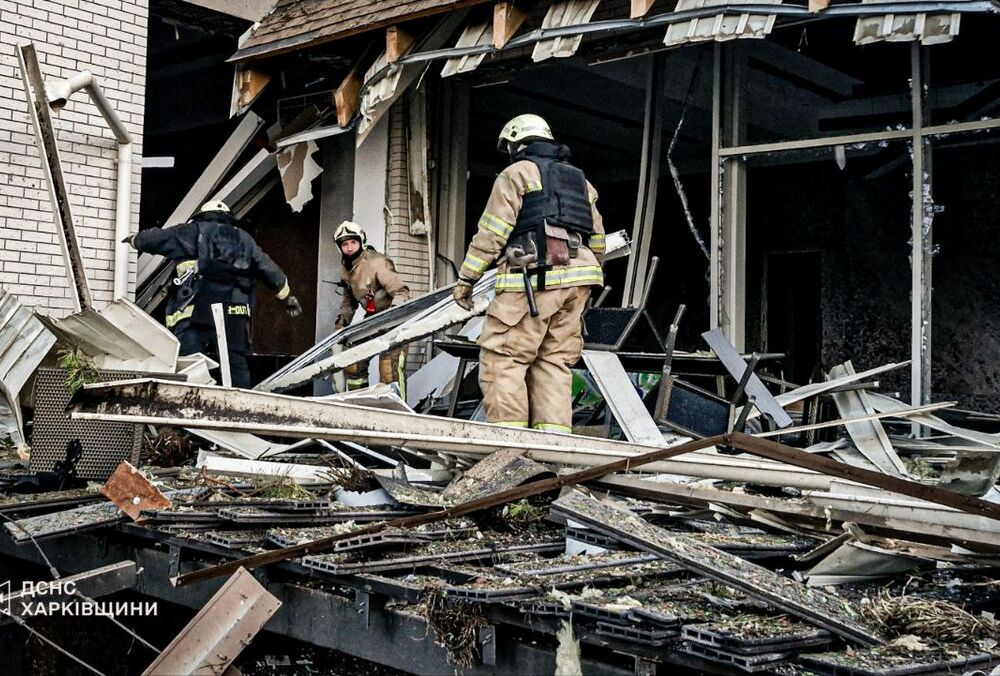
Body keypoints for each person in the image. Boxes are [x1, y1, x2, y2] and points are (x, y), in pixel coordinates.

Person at [452, 114, 606, 433]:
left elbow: (492, 232)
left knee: (504, 359)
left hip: (534, 278)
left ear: (516, 144)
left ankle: (512, 448)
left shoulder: (516, 173)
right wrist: (582, 275)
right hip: (580, 279)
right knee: (554, 363)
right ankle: (553, 450)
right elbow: (599, 240)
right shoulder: (581, 181)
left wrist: (467, 278)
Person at [124, 200, 301, 388]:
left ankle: (187, 405)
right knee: (236, 365)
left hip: (195, 312)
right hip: (236, 314)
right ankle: (240, 407)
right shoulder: (244, 239)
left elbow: (156, 238)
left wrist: (135, 240)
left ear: (203, 215)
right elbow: (270, 270)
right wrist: (288, 297)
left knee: (189, 364)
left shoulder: (193, 231)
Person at [333, 221, 411, 395]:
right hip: (372, 320)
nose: (349, 247)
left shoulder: (377, 262)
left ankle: (396, 416)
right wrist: (340, 327)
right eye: (344, 244)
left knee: (389, 371)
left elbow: (401, 291)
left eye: (353, 242)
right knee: (353, 364)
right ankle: (359, 406)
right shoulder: (346, 269)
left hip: (394, 321)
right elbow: (349, 301)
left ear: (361, 241)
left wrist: (393, 316)